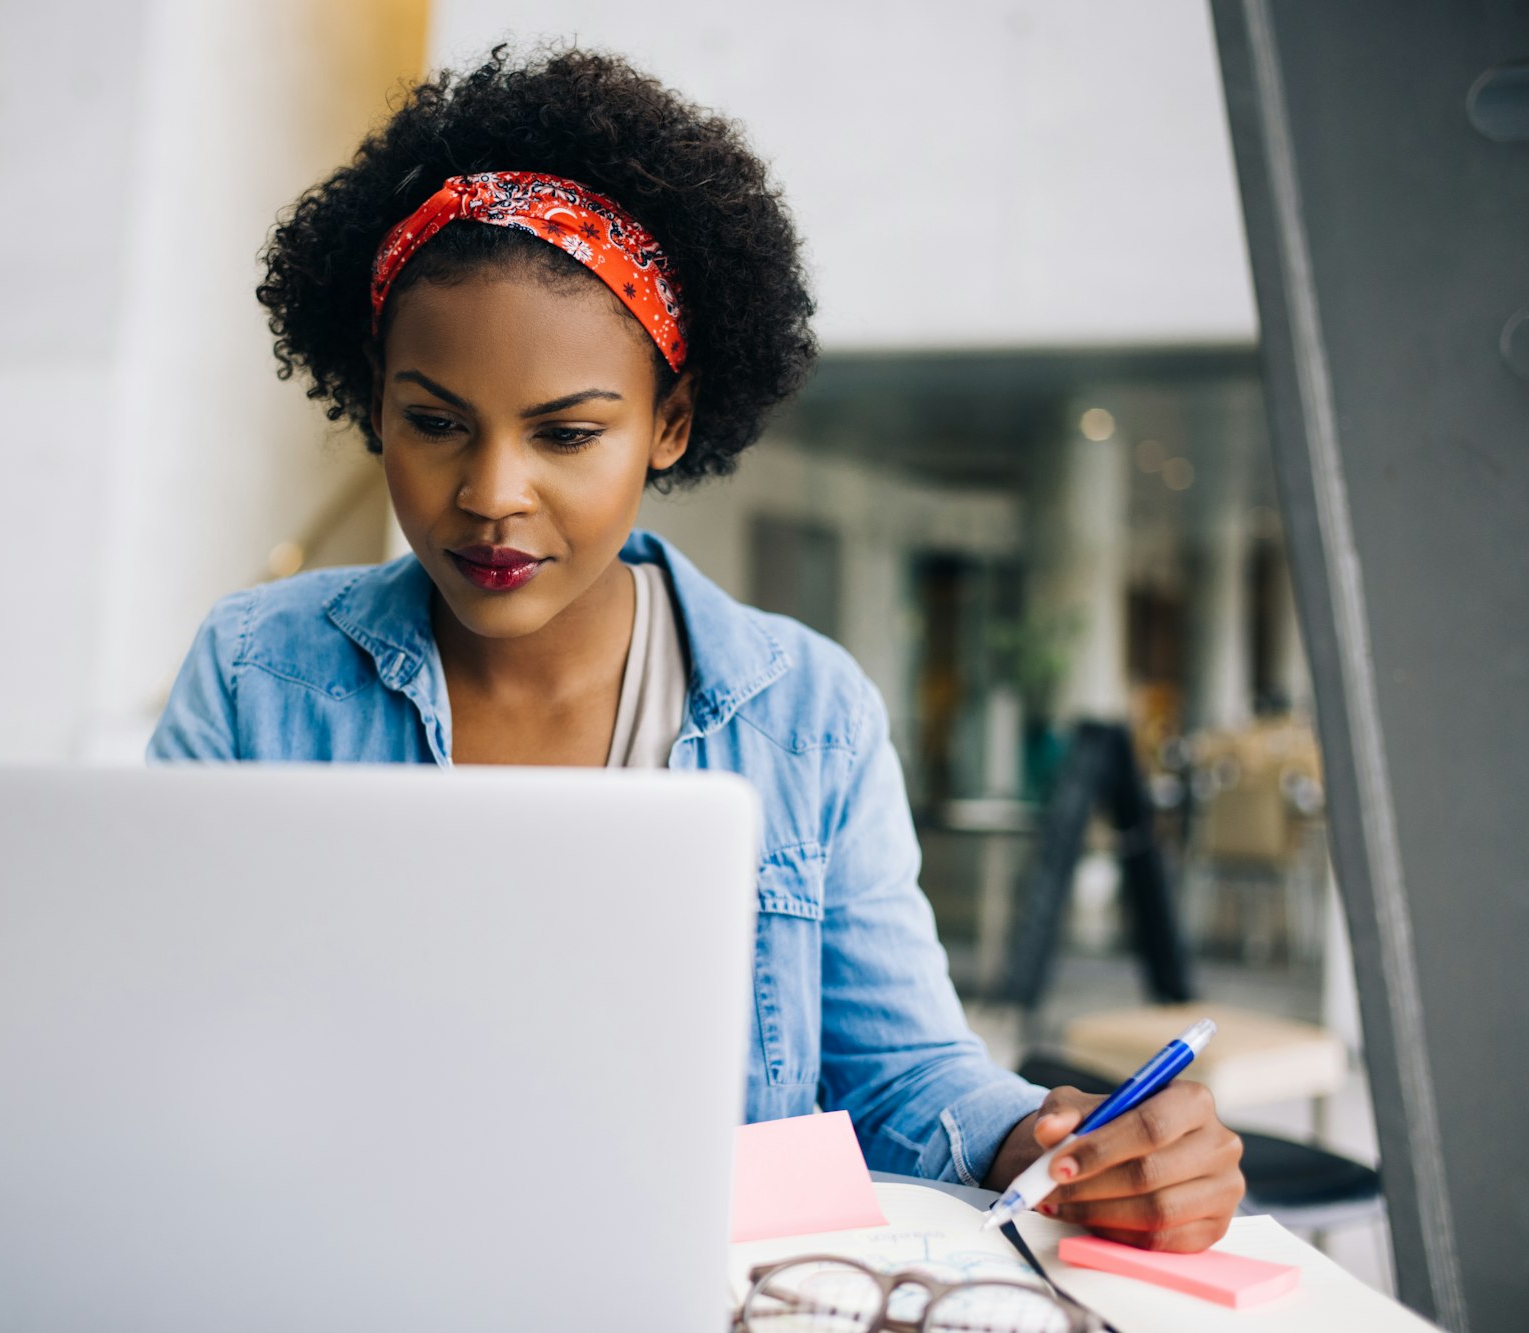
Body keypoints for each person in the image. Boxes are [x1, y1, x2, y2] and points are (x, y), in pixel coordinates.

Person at [149, 46, 1244, 1250]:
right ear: (373, 404)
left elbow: (898, 1077)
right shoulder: (259, 670)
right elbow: (156, 1031)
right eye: (432, 423)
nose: (490, 493)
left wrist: (1046, 1142)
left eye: (565, 434)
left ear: (667, 424)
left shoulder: (805, 712)